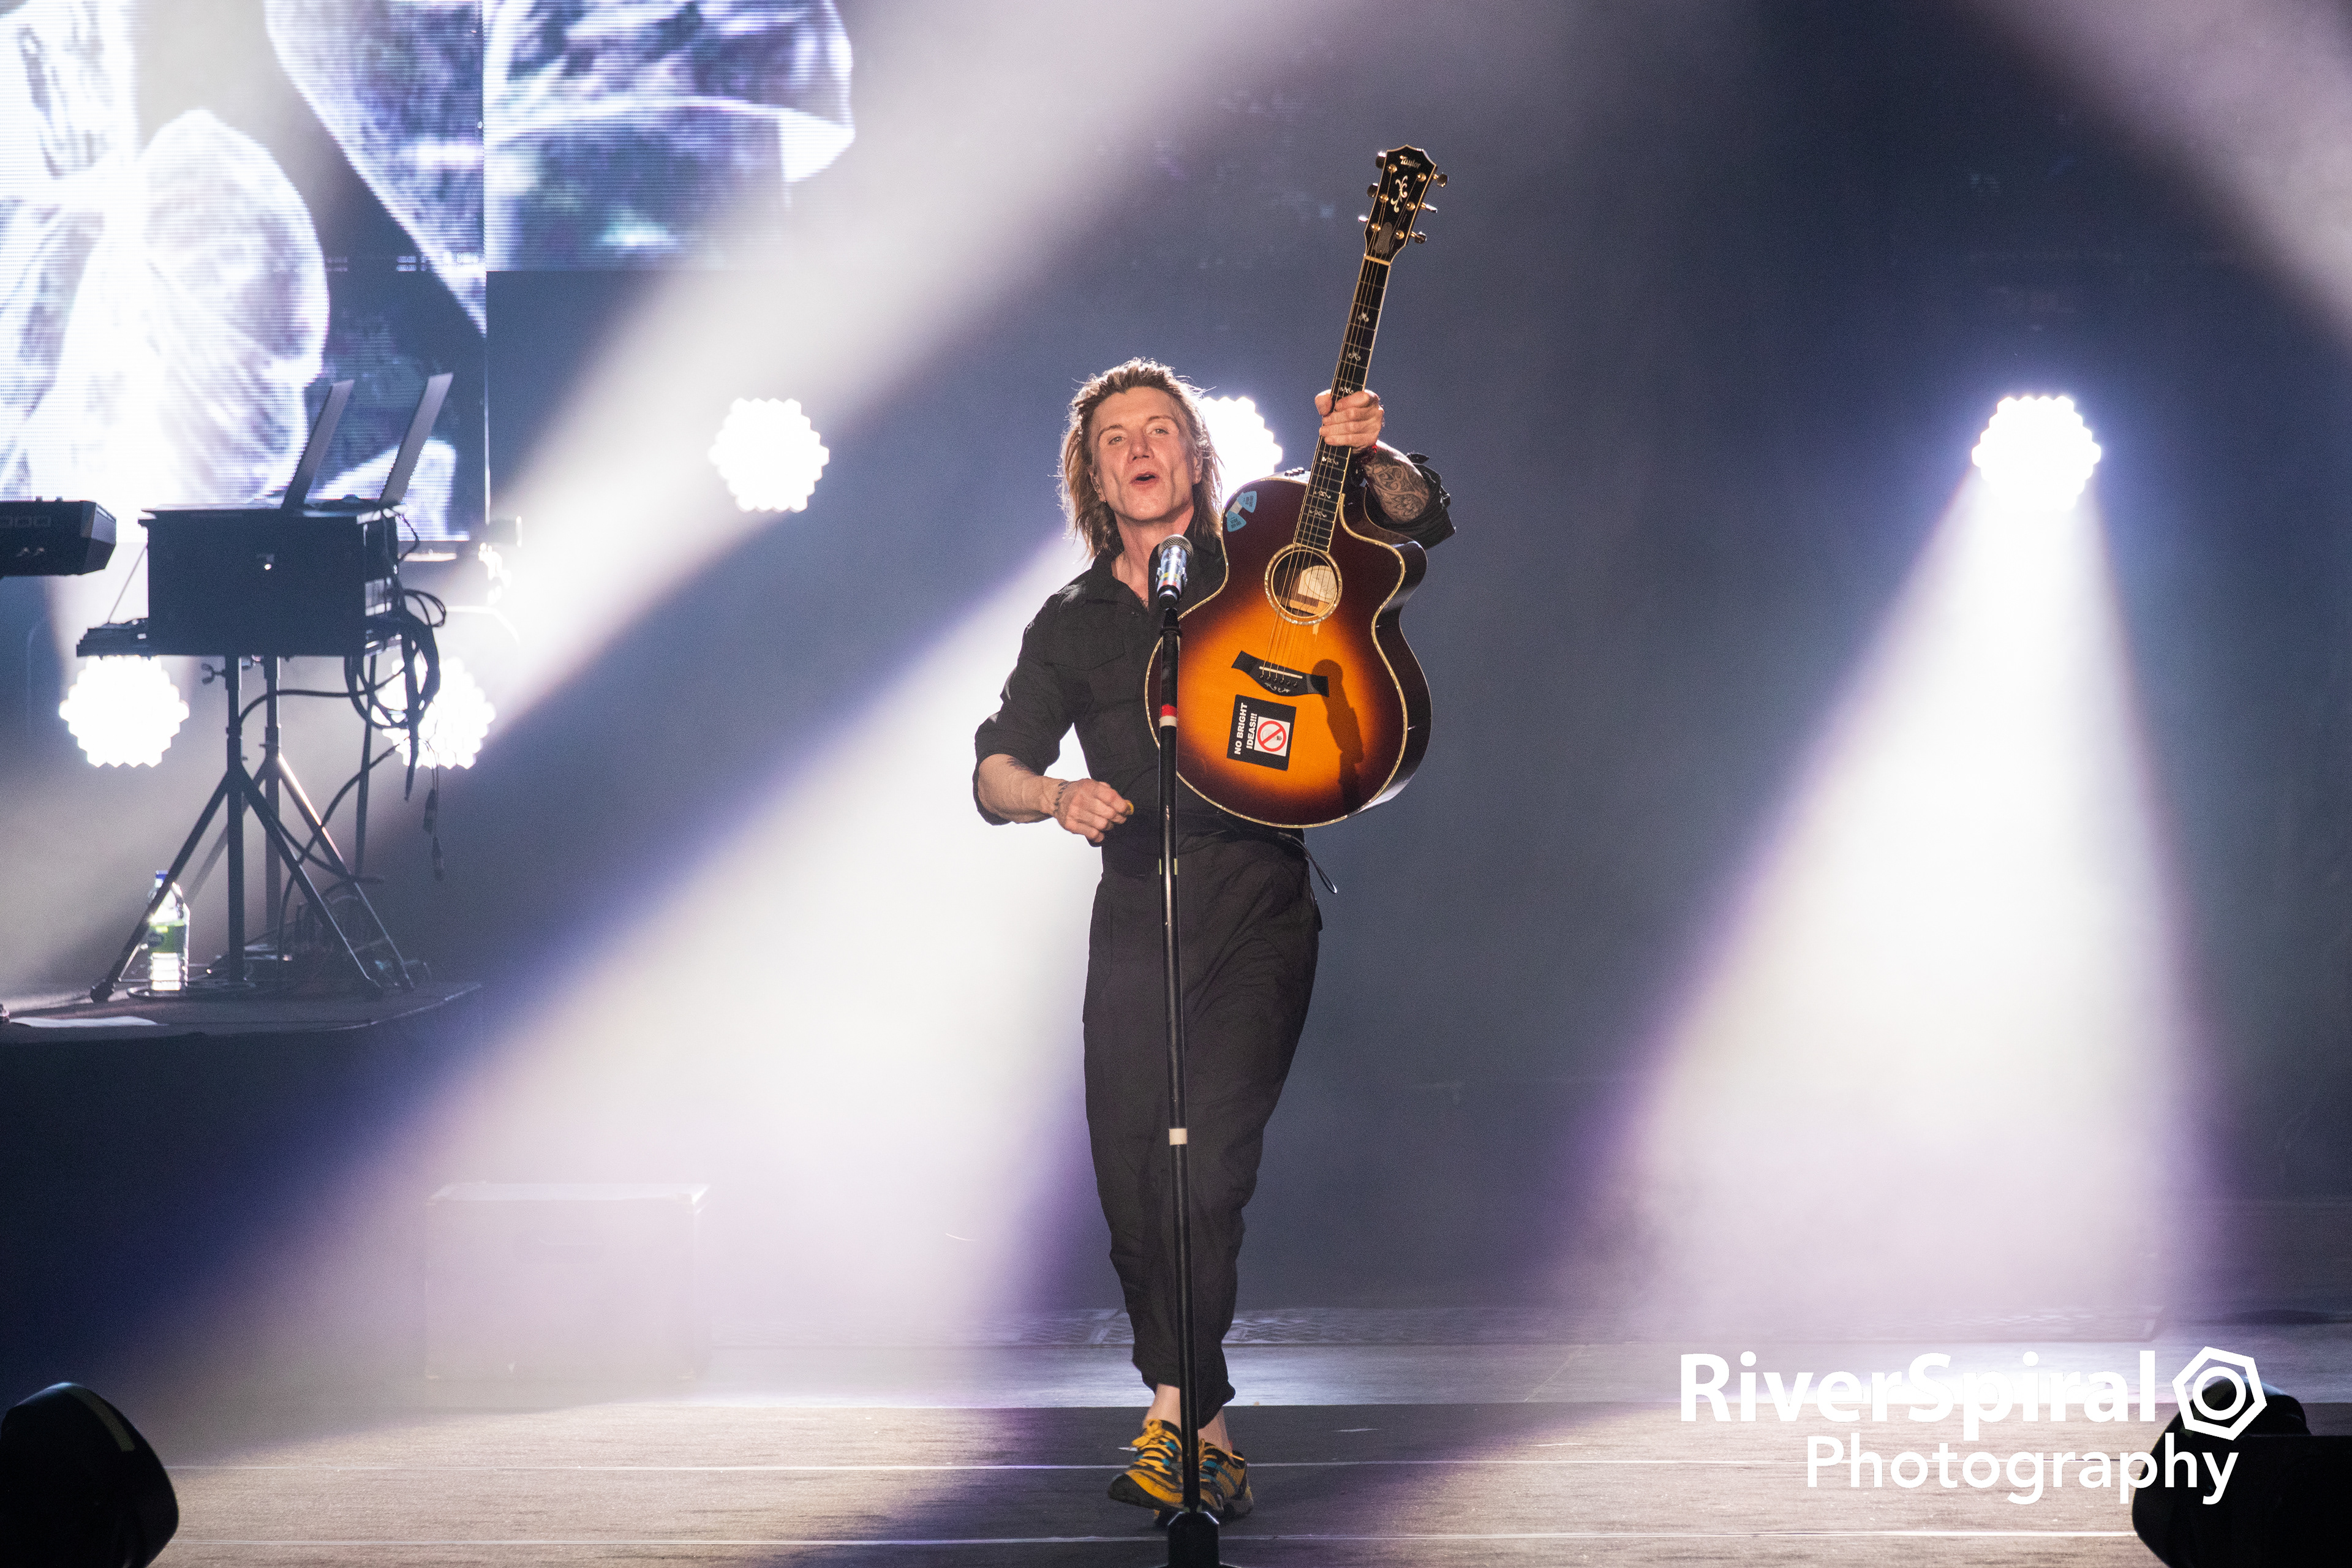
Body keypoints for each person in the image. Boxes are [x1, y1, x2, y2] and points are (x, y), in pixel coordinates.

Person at [972, 358, 1453, 1521]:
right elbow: (993, 767)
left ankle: (1172, 1421)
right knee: (1135, 1182)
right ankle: (1207, 1429)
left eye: (1161, 431)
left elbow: (1414, 520)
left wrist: (1372, 458)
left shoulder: (1267, 555)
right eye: (1115, 440)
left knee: (1209, 1166)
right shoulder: (1074, 621)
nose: (1139, 449)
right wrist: (1054, 798)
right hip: (1136, 910)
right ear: (1091, 475)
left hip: (1255, 903)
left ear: (1196, 454)